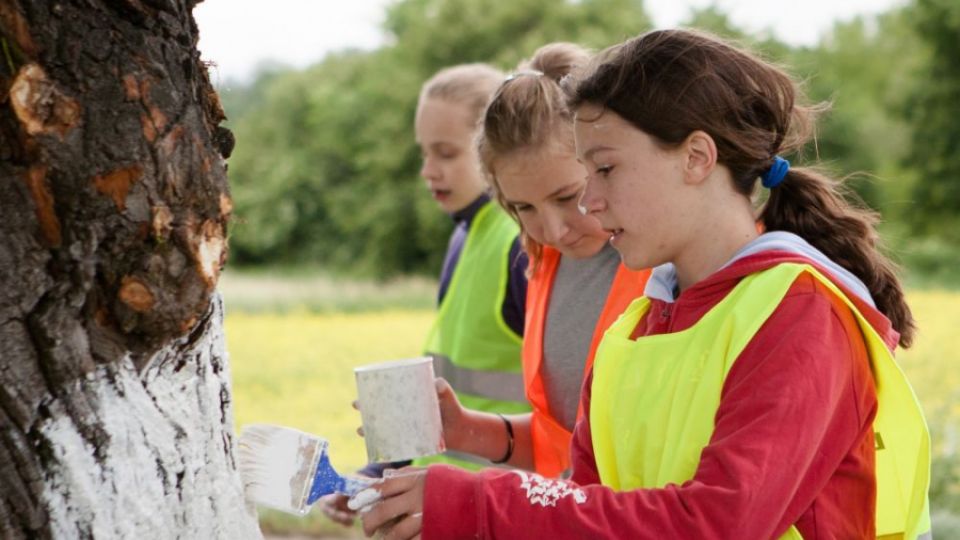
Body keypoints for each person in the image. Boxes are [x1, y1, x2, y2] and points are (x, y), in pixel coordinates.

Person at [355, 29, 931, 539]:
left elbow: (717, 524)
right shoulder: (633, 330)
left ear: (697, 158)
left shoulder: (800, 315)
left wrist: (478, 503)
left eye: (603, 168)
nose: (588, 200)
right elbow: (583, 507)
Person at [319, 63, 530, 526]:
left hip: (501, 510)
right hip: (450, 507)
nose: (427, 170)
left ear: (491, 148)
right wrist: (381, 473)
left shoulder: (521, 243)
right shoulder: (465, 235)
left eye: (447, 153)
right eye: (424, 153)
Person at [432, 42, 649, 478]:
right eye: (524, 208)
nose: (554, 231)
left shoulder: (675, 265)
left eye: (568, 197)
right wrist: (466, 430)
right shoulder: (544, 264)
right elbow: (565, 444)